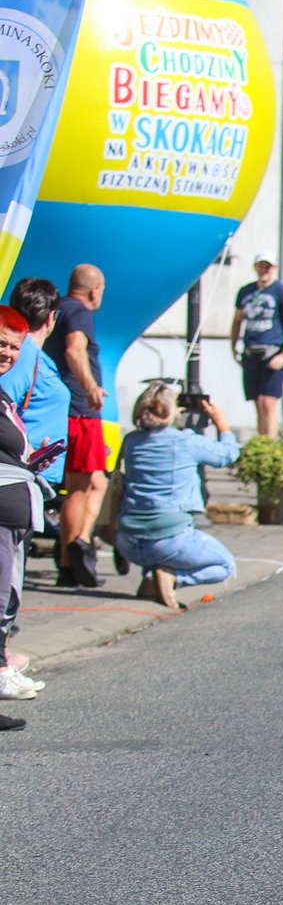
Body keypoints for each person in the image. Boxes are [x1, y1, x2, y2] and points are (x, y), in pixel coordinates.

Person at [112, 380, 239, 613]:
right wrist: (221, 422)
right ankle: (172, 578)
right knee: (226, 565)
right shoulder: (186, 441)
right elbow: (228, 455)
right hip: (170, 539)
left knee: (153, 535)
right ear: (172, 411)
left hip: (128, 541)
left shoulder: (131, 441)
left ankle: (150, 577)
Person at [0, 308, 50, 711]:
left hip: (14, 513)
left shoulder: (3, 395)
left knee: (5, 600)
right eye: (1, 343)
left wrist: (32, 459)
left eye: (14, 347)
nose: (7, 353)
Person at [50, 264, 108, 588]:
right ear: (94, 289)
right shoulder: (80, 311)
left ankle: (80, 541)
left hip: (70, 409)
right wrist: (90, 388)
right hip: (80, 411)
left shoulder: (58, 308)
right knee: (79, 487)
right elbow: (75, 349)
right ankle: (69, 563)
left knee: (98, 482)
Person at [1, 278, 70, 492]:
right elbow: (5, 405)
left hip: (30, 470)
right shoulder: (23, 354)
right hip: (14, 475)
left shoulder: (32, 355)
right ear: (51, 317)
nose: (8, 351)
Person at [231, 253, 283, 439]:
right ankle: (262, 442)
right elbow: (237, 320)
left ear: (274, 268)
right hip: (251, 351)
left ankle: (270, 443)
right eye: (261, 266)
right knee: (258, 402)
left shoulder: (281, 292)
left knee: (268, 402)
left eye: (268, 267)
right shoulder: (246, 291)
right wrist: (234, 345)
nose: (264, 270)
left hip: (272, 351)